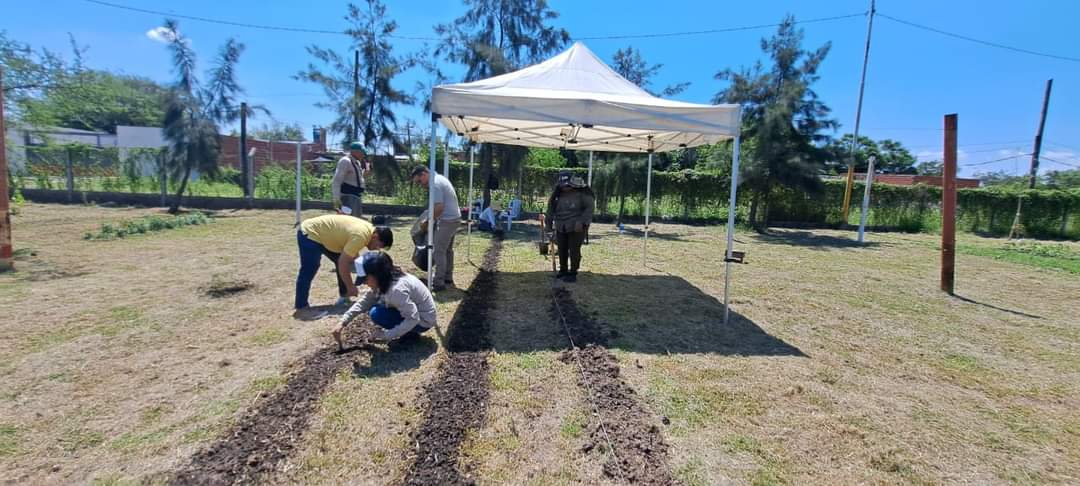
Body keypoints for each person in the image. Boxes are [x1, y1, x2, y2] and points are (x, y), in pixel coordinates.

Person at [332, 252, 436, 349]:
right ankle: (408, 332)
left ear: (377, 275)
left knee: (377, 314)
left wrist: (385, 335)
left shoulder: (396, 290)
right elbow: (365, 301)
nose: (364, 283)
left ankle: (410, 335)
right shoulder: (387, 278)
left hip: (424, 321)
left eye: (365, 279)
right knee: (377, 311)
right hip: (417, 313)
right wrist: (343, 322)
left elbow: (413, 318)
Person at [295, 214, 393, 309]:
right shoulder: (360, 236)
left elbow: (355, 259)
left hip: (326, 235)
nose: (377, 249)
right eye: (378, 245)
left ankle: (344, 297)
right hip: (310, 232)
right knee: (310, 268)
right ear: (375, 236)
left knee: (343, 261)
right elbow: (343, 263)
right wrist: (350, 286)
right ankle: (301, 307)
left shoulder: (368, 232)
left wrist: (370, 282)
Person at [410, 166, 461, 291]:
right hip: (454, 219)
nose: (420, 185)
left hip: (447, 221)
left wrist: (427, 222)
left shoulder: (435, 183)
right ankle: (447, 277)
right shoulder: (439, 178)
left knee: (439, 251)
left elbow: (439, 207)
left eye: (419, 181)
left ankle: (438, 283)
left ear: (424, 174)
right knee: (447, 250)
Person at [545, 171, 594, 283]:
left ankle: (573, 272)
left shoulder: (582, 192)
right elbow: (550, 209)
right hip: (561, 225)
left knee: (574, 250)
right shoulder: (557, 194)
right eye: (562, 184)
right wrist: (548, 226)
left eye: (567, 184)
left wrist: (582, 221)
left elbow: (589, 208)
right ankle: (563, 270)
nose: (565, 187)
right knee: (562, 249)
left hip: (576, 226)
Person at [332, 142, 371, 217]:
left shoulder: (357, 163)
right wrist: (336, 201)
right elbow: (336, 181)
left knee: (355, 221)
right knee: (347, 221)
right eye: (362, 152)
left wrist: (366, 172)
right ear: (355, 151)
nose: (363, 155)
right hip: (347, 197)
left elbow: (356, 179)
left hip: (356, 197)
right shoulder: (345, 161)